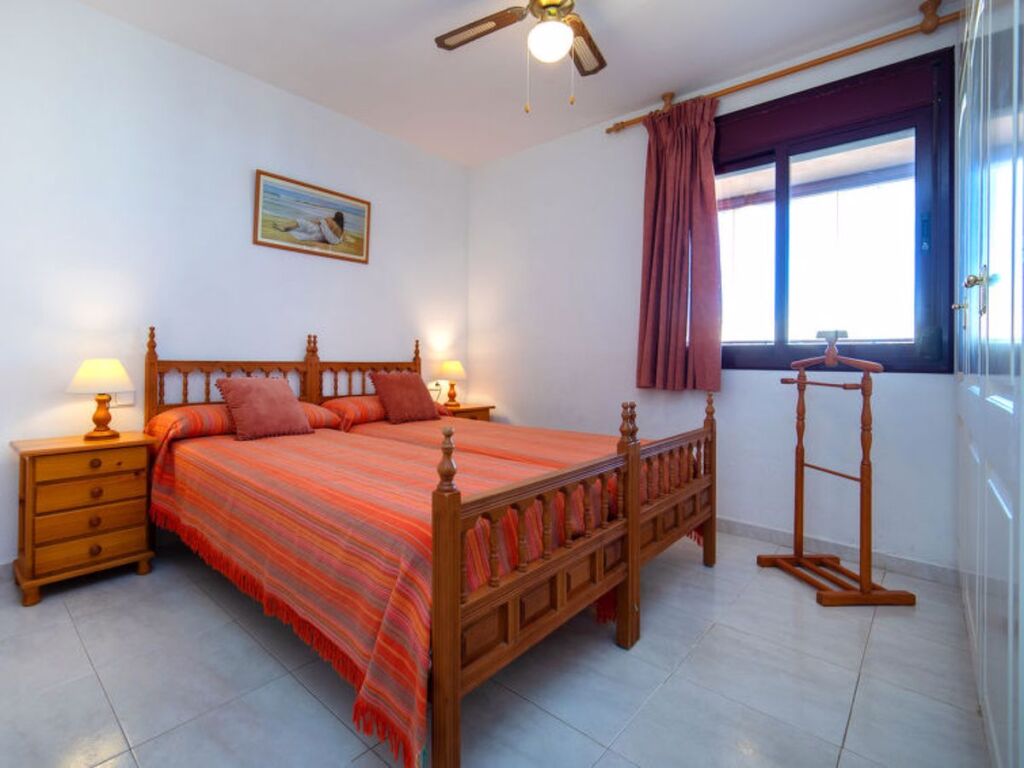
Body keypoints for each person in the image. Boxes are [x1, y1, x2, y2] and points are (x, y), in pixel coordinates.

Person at [279, 210, 345, 245]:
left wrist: (319, 223)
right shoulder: (340, 228)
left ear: (335, 216)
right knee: (306, 228)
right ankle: (288, 228)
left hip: (320, 232)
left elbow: (321, 223)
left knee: (304, 224)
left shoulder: (331, 221)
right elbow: (331, 236)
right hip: (325, 237)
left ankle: (286, 228)